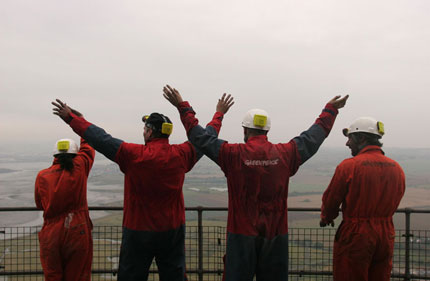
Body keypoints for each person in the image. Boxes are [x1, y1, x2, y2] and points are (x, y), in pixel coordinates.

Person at [163, 84, 348, 281]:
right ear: (267, 130)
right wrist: (330, 110)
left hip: (241, 234)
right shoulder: (286, 154)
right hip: (276, 236)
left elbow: (200, 137)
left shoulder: (233, 154)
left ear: (245, 130)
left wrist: (184, 107)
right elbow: (312, 138)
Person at [51, 98, 226, 281]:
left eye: (145, 129)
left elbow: (101, 139)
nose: (143, 132)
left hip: (137, 230)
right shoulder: (181, 154)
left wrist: (72, 119)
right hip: (172, 230)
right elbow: (206, 137)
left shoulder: (133, 155)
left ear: (150, 132)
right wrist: (219, 114)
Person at [320, 117, 405, 281]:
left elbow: (331, 199)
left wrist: (327, 217)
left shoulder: (349, 166)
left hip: (357, 234)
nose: (347, 143)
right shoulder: (397, 168)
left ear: (362, 138)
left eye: (350, 138)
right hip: (386, 235)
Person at [35, 134, 95, 281]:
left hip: (51, 233)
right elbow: (88, 147)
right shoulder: (79, 167)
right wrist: (79, 121)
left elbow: (39, 204)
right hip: (77, 229)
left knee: (53, 275)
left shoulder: (42, 175)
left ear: (55, 155)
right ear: (75, 154)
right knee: (78, 275)